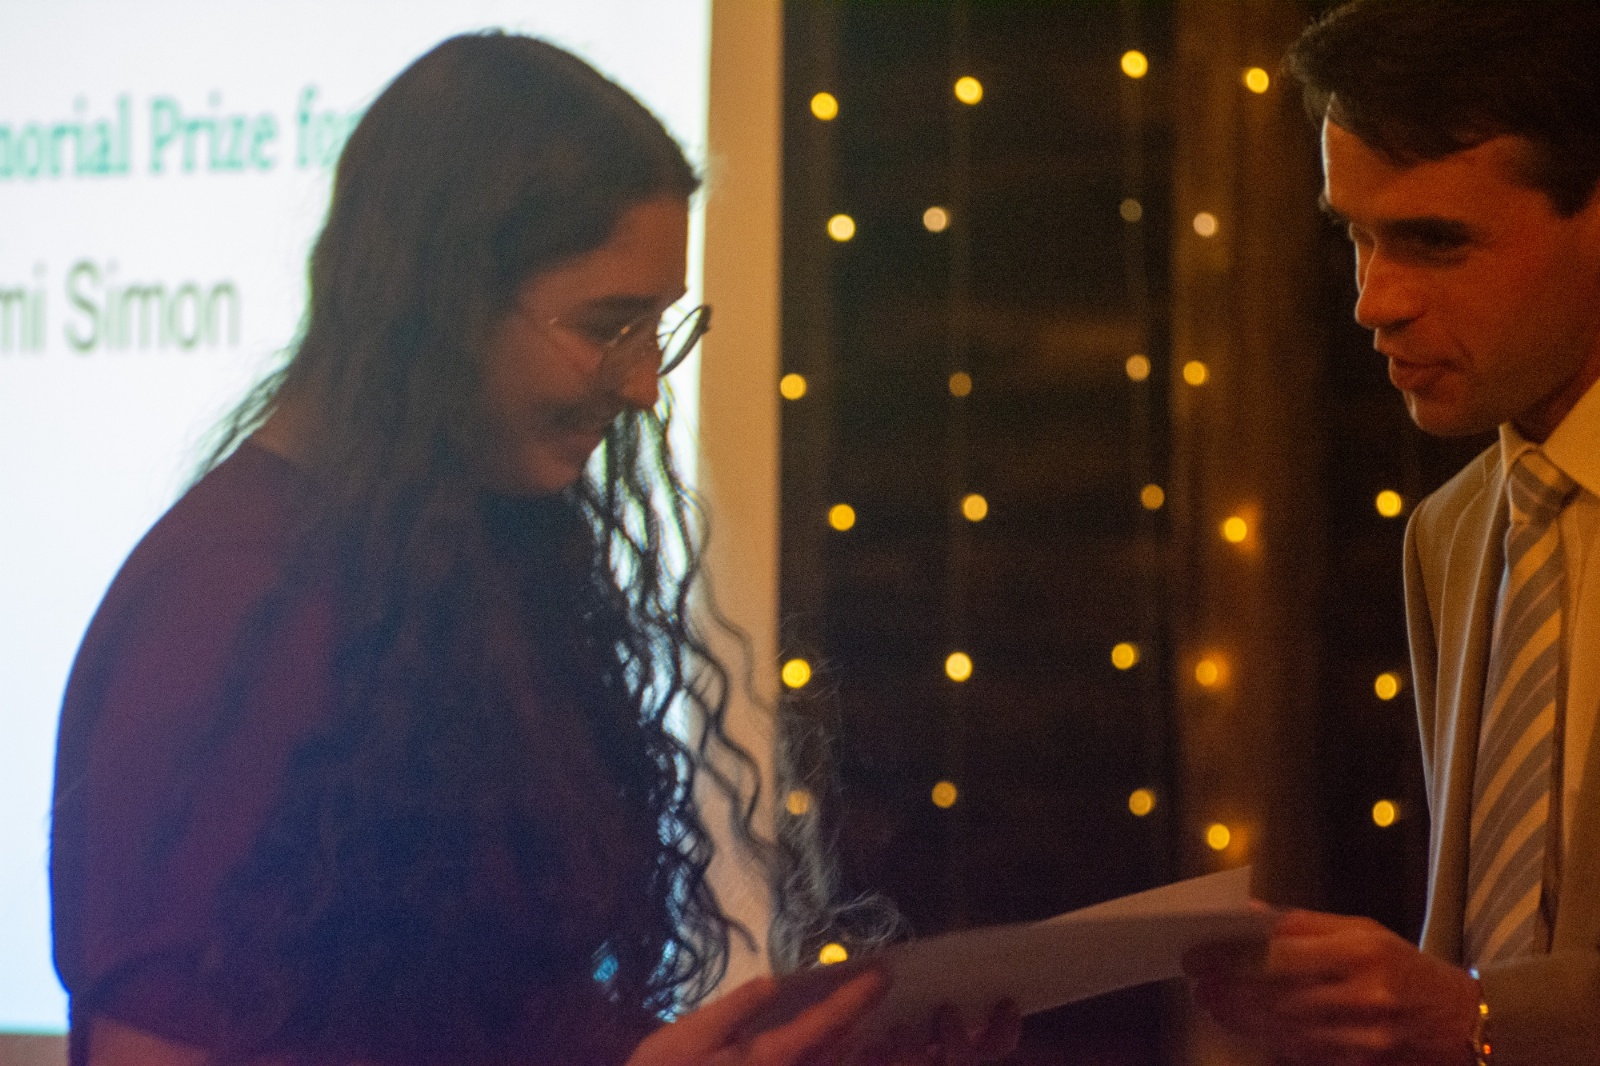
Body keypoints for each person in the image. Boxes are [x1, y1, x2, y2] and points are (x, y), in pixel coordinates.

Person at [49, 33, 1015, 1066]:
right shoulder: (226, 597)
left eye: (658, 329)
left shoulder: (455, 556)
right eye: (608, 326)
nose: (643, 384)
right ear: (435, 299)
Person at [1183, 2, 1600, 1064]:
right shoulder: (1451, 532)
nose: (1374, 302)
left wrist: (1479, 1017)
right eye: (1356, 236)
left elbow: (1483, 1006)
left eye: (1434, 241)